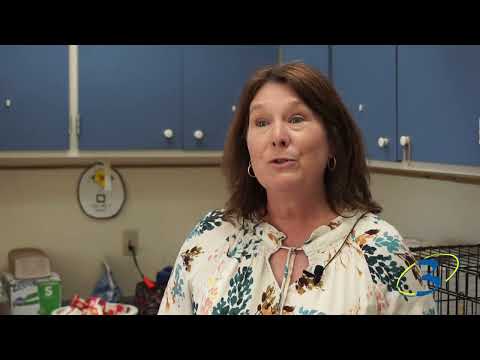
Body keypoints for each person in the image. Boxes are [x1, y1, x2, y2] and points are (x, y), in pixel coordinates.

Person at [158, 62, 437, 315]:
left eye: (296, 119)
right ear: (248, 146)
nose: (278, 136)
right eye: (262, 122)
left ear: (333, 140)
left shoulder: (380, 250)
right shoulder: (209, 239)